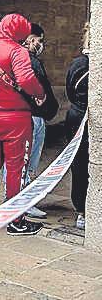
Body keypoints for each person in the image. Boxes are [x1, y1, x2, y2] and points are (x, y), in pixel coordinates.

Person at [0, 13, 46, 236]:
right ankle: (16, 220)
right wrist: (39, 94)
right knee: (16, 169)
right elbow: (25, 79)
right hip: (15, 119)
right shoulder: (17, 51)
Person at [1, 24, 58, 219]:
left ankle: (11, 199)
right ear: (31, 38)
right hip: (31, 116)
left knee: (14, 161)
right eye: (39, 40)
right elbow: (41, 88)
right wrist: (50, 109)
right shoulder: (30, 61)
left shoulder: (7, 57)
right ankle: (21, 204)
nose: (40, 45)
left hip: (11, 115)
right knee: (26, 161)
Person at [65, 22, 89, 230]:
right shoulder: (83, 64)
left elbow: (70, 91)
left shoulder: (77, 63)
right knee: (81, 163)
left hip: (76, 114)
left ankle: (81, 210)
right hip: (83, 116)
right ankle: (82, 209)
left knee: (79, 165)